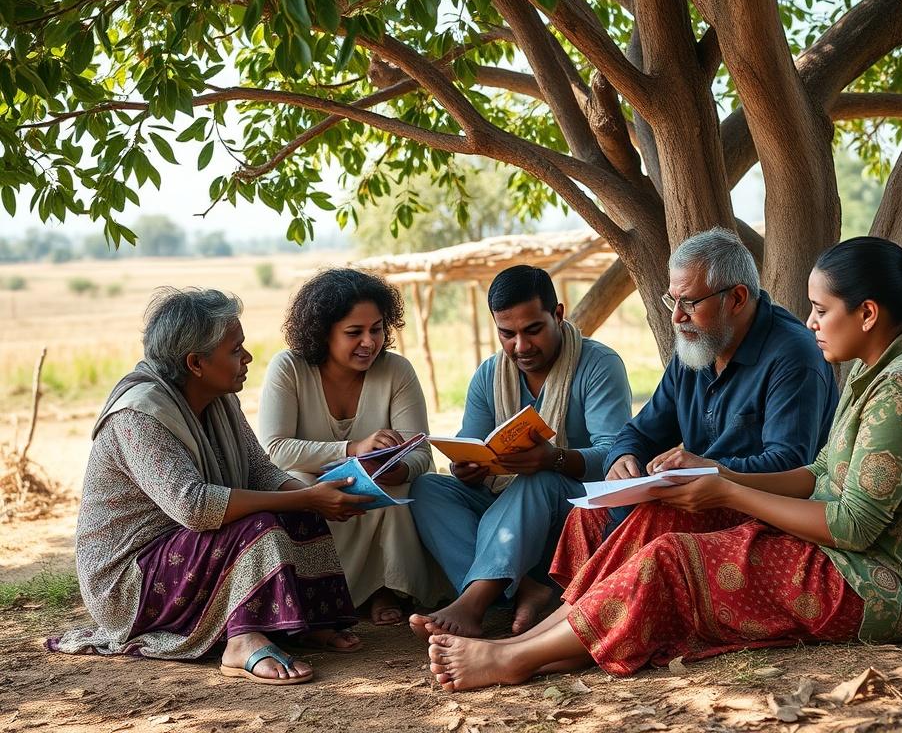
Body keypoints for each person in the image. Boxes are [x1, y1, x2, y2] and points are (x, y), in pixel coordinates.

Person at [423, 225, 902, 690]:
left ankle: (515, 659)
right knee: (656, 517)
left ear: (866, 314)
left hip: (880, 584)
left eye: (821, 309)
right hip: (837, 547)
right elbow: (821, 473)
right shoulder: (881, 366)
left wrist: (724, 488)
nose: (811, 321)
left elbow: (852, 524)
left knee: (671, 558)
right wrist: (712, 475)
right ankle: (538, 642)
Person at [47, 288, 374, 686]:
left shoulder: (219, 398)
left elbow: (260, 472)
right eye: (236, 350)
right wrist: (304, 495)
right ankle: (241, 642)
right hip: (130, 580)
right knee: (262, 525)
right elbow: (195, 507)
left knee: (298, 511)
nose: (248, 358)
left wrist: (318, 496)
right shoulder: (139, 415)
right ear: (196, 363)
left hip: (186, 551)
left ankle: (302, 623)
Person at [409, 265, 632, 638]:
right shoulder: (488, 375)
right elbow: (471, 443)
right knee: (427, 489)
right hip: (505, 506)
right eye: (507, 334)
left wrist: (554, 458)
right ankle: (524, 588)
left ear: (558, 314)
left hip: (570, 509)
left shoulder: (598, 365)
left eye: (533, 330)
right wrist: (468, 466)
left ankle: (474, 602)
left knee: (538, 478)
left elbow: (614, 455)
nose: (521, 346)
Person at [584, 227, 838, 545]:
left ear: (737, 299)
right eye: (672, 301)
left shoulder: (793, 355)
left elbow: (790, 465)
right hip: (705, 497)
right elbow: (640, 433)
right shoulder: (698, 348)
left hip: (768, 517)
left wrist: (709, 470)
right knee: (586, 516)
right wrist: (623, 458)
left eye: (689, 303)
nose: (677, 317)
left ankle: (595, 596)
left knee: (651, 520)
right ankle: (574, 595)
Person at [259, 269, 448, 625]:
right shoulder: (289, 368)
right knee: (296, 481)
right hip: (314, 485)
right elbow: (275, 450)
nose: (369, 342)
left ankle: (385, 588)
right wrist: (353, 449)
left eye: (376, 329)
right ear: (322, 332)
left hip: (378, 488)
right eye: (354, 332)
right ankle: (321, 592)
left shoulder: (397, 371)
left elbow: (421, 452)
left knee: (404, 485)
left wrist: (399, 467)